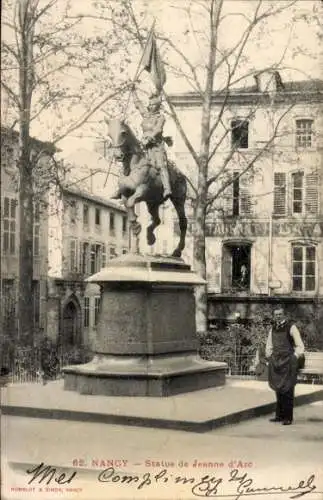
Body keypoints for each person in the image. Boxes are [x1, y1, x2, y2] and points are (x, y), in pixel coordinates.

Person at [265, 306, 305, 425]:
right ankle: (279, 416)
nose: (278, 316)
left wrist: (295, 357)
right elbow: (269, 344)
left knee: (287, 389)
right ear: (274, 315)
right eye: (276, 314)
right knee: (278, 388)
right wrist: (270, 356)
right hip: (276, 362)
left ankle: (288, 417)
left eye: (280, 314)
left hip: (288, 362)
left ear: (284, 315)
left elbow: (300, 345)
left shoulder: (291, 327)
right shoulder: (273, 328)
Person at [133, 90, 172, 201]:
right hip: (144, 146)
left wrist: (150, 138)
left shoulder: (160, 117)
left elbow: (158, 129)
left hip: (155, 146)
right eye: (149, 104)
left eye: (153, 104)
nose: (150, 106)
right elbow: (138, 104)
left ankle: (167, 188)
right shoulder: (146, 115)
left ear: (158, 106)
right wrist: (133, 91)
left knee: (160, 165)